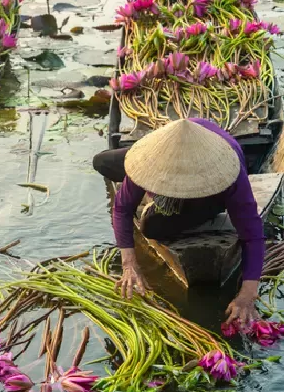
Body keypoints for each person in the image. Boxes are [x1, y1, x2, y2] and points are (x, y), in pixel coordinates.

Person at [92, 118, 264, 325]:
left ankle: (183, 204)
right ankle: (154, 195)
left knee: (153, 226)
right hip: (177, 145)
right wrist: (129, 264)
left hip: (208, 188)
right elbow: (122, 208)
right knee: (101, 161)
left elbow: (252, 234)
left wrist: (247, 294)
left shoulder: (228, 172)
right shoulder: (150, 159)